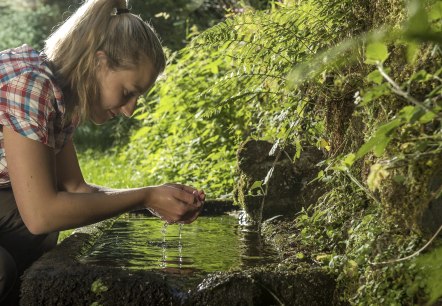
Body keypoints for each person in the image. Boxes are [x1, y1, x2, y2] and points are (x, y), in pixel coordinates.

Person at [0, 0, 205, 303]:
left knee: (49, 218)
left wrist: (153, 201)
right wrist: (146, 195)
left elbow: (76, 189)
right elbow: (41, 214)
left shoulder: (60, 98)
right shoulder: (30, 85)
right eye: (128, 92)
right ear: (99, 63)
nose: (130, 109)